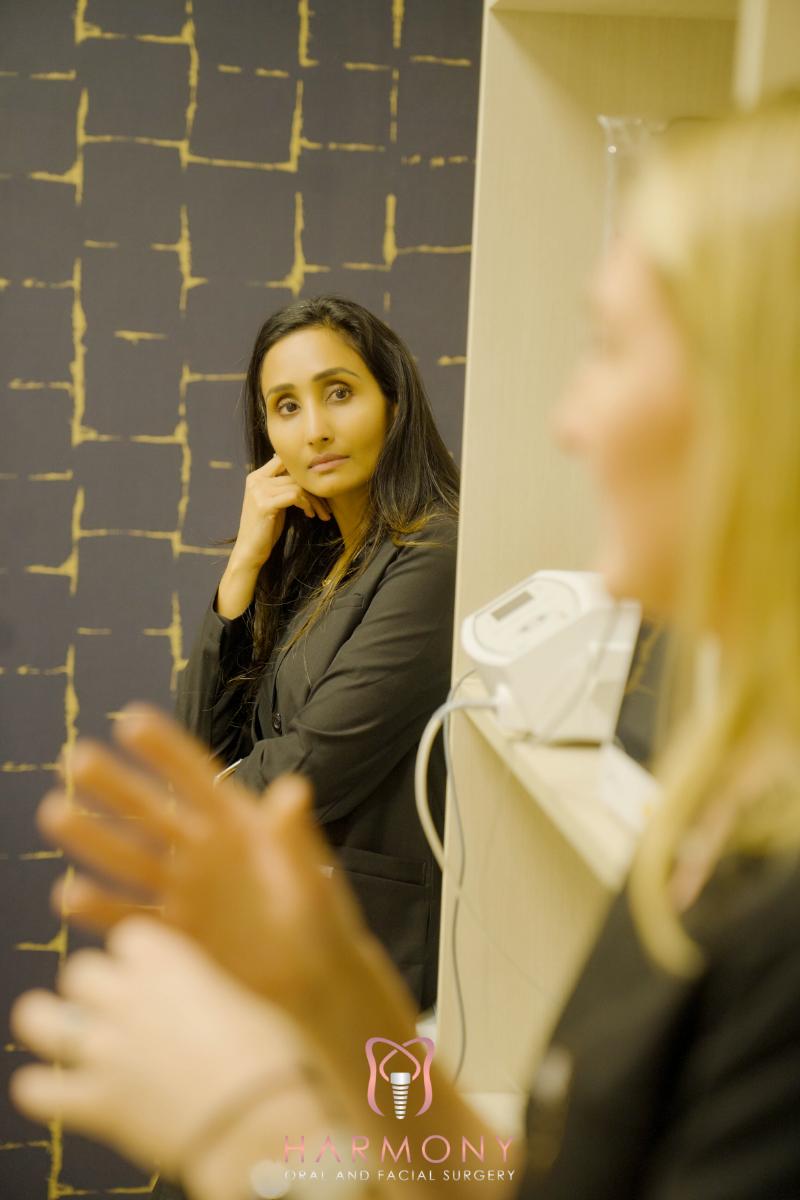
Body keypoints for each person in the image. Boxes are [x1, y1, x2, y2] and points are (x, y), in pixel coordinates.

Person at [10, 92, 800, 1200]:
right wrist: (238, 580)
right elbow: (213, 748)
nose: (567, 421)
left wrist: (256, 1141)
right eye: (284, 406)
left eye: (611, 348)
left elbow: (293, 769)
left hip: (384, 934)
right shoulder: (717, 803)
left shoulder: (431, 560)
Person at [175, 295, 459, 1014]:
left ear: (393, 403)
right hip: (288, 934)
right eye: (287, 406)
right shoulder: (318, 560)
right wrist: (243, 563)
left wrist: (190, 814)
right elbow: (198, 748)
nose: (317, 429)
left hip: (373, 960)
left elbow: (312, 764)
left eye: (339, 393)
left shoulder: (436, 554)